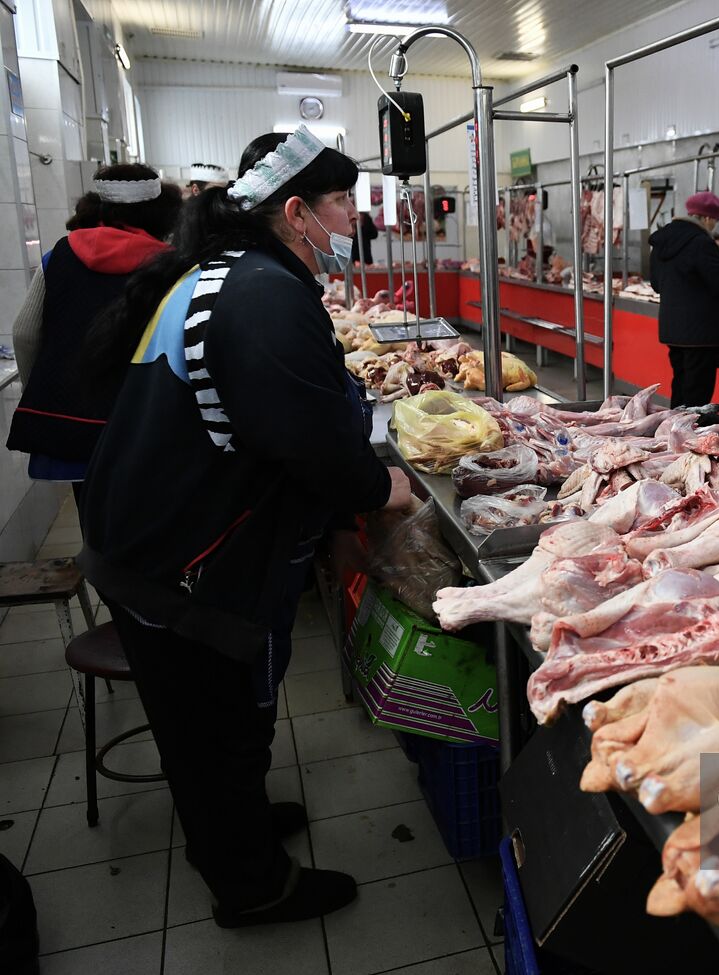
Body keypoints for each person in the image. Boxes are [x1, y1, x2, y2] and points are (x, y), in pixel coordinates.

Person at [79, 126, 413, 928]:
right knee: (213, 736)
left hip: (162, 541)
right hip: (183, 561)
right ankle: (252, 884)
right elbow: (307, 441)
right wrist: (382, 487)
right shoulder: (260, 294)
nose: (350, 220)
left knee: (224, 727)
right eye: (340, 204)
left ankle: (240, 827)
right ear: (295, 210)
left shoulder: (230, 273)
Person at [7, 164, 181, 508]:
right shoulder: (173, 266)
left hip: (71, 422)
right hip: (147, 425)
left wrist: (43, 388)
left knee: (93, 522)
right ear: (163, 213)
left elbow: (24, 334)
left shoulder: (58, 255)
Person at [649, 190, 719, 407]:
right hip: (700, 333)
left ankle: (674, 433)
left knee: (680, 385)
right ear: (706, 218)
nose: (714, 226)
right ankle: (692, 437)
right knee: (698, 392)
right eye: (715, 221)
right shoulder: (702, 243)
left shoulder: (661, 242)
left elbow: (656, 285)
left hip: (672, 329)